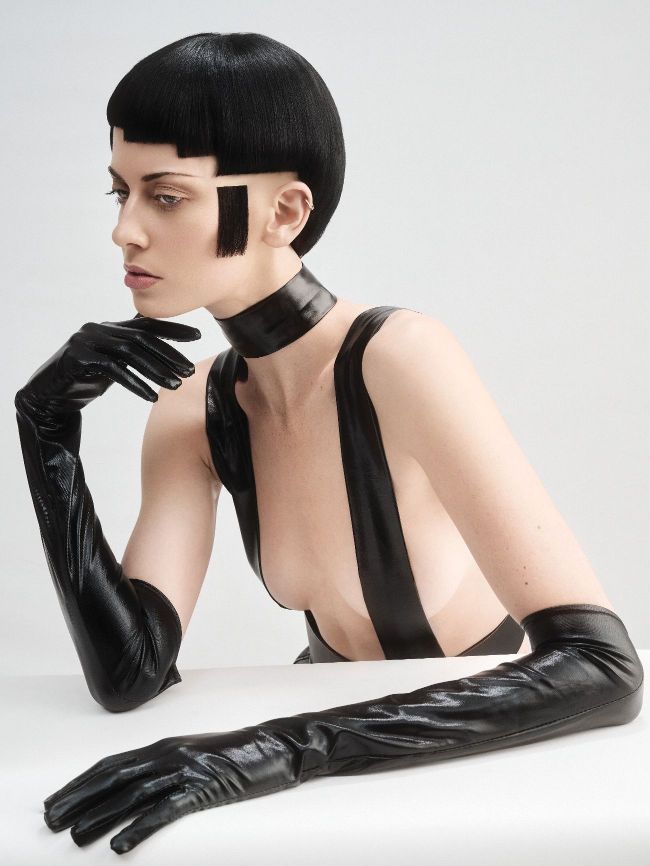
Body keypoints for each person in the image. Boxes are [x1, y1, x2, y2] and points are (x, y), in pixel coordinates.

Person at [15, 32, 642, 854]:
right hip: (334, 780)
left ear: (285, 212)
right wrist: (45, 433)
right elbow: (130, 674)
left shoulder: (399, 357)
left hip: (495, 769)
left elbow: (602, 665)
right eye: (119, 193)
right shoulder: (191, 406)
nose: (124, 232)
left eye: (164, 197)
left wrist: (279, 748)